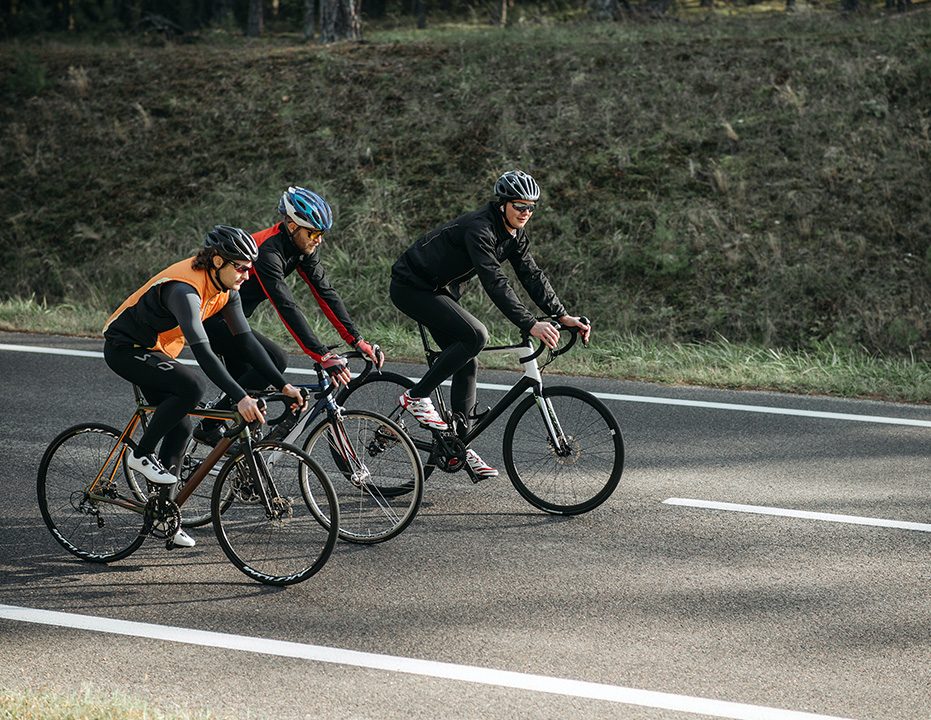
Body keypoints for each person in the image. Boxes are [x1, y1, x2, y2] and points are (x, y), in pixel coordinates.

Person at [103, 225, 305, 547]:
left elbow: (248, 342)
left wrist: (283, 385)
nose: (246, 275)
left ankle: (163, 515)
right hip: (125, 349)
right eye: (240, 267)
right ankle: (140, 454)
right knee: (192, 386)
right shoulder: (184, 290)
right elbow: (203, 352)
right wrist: (240, 397)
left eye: (249, 268)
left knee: (181, 427)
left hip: (155, 351)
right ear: (216, 261)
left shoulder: (227, 290)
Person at [390, 170, 591, 480]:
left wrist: (561, 315)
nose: (526, 213)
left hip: (438, 290)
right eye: (520, 206)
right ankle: (416, 397)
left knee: (468, 363)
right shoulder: (479, 228)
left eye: (531, 208)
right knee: (476, 336)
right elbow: (494, 282)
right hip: (412, 286)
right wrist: (529, 323)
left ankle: (456, 442)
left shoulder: (514, 234)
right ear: (503, 204)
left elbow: (532, 275)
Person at [194, 187, 384, 445]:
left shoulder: (301, 248)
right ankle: (208, 426)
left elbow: (325, 293)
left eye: (322, 233)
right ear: (293, 225)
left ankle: (237, 462)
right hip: (209, 318)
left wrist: (357, 340)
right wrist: (322, 354)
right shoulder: (267, 253)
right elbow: (286, 305)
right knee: (275, 360)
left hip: (233, 320)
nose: (319, 240)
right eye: (314, 233)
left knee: (250, 402)